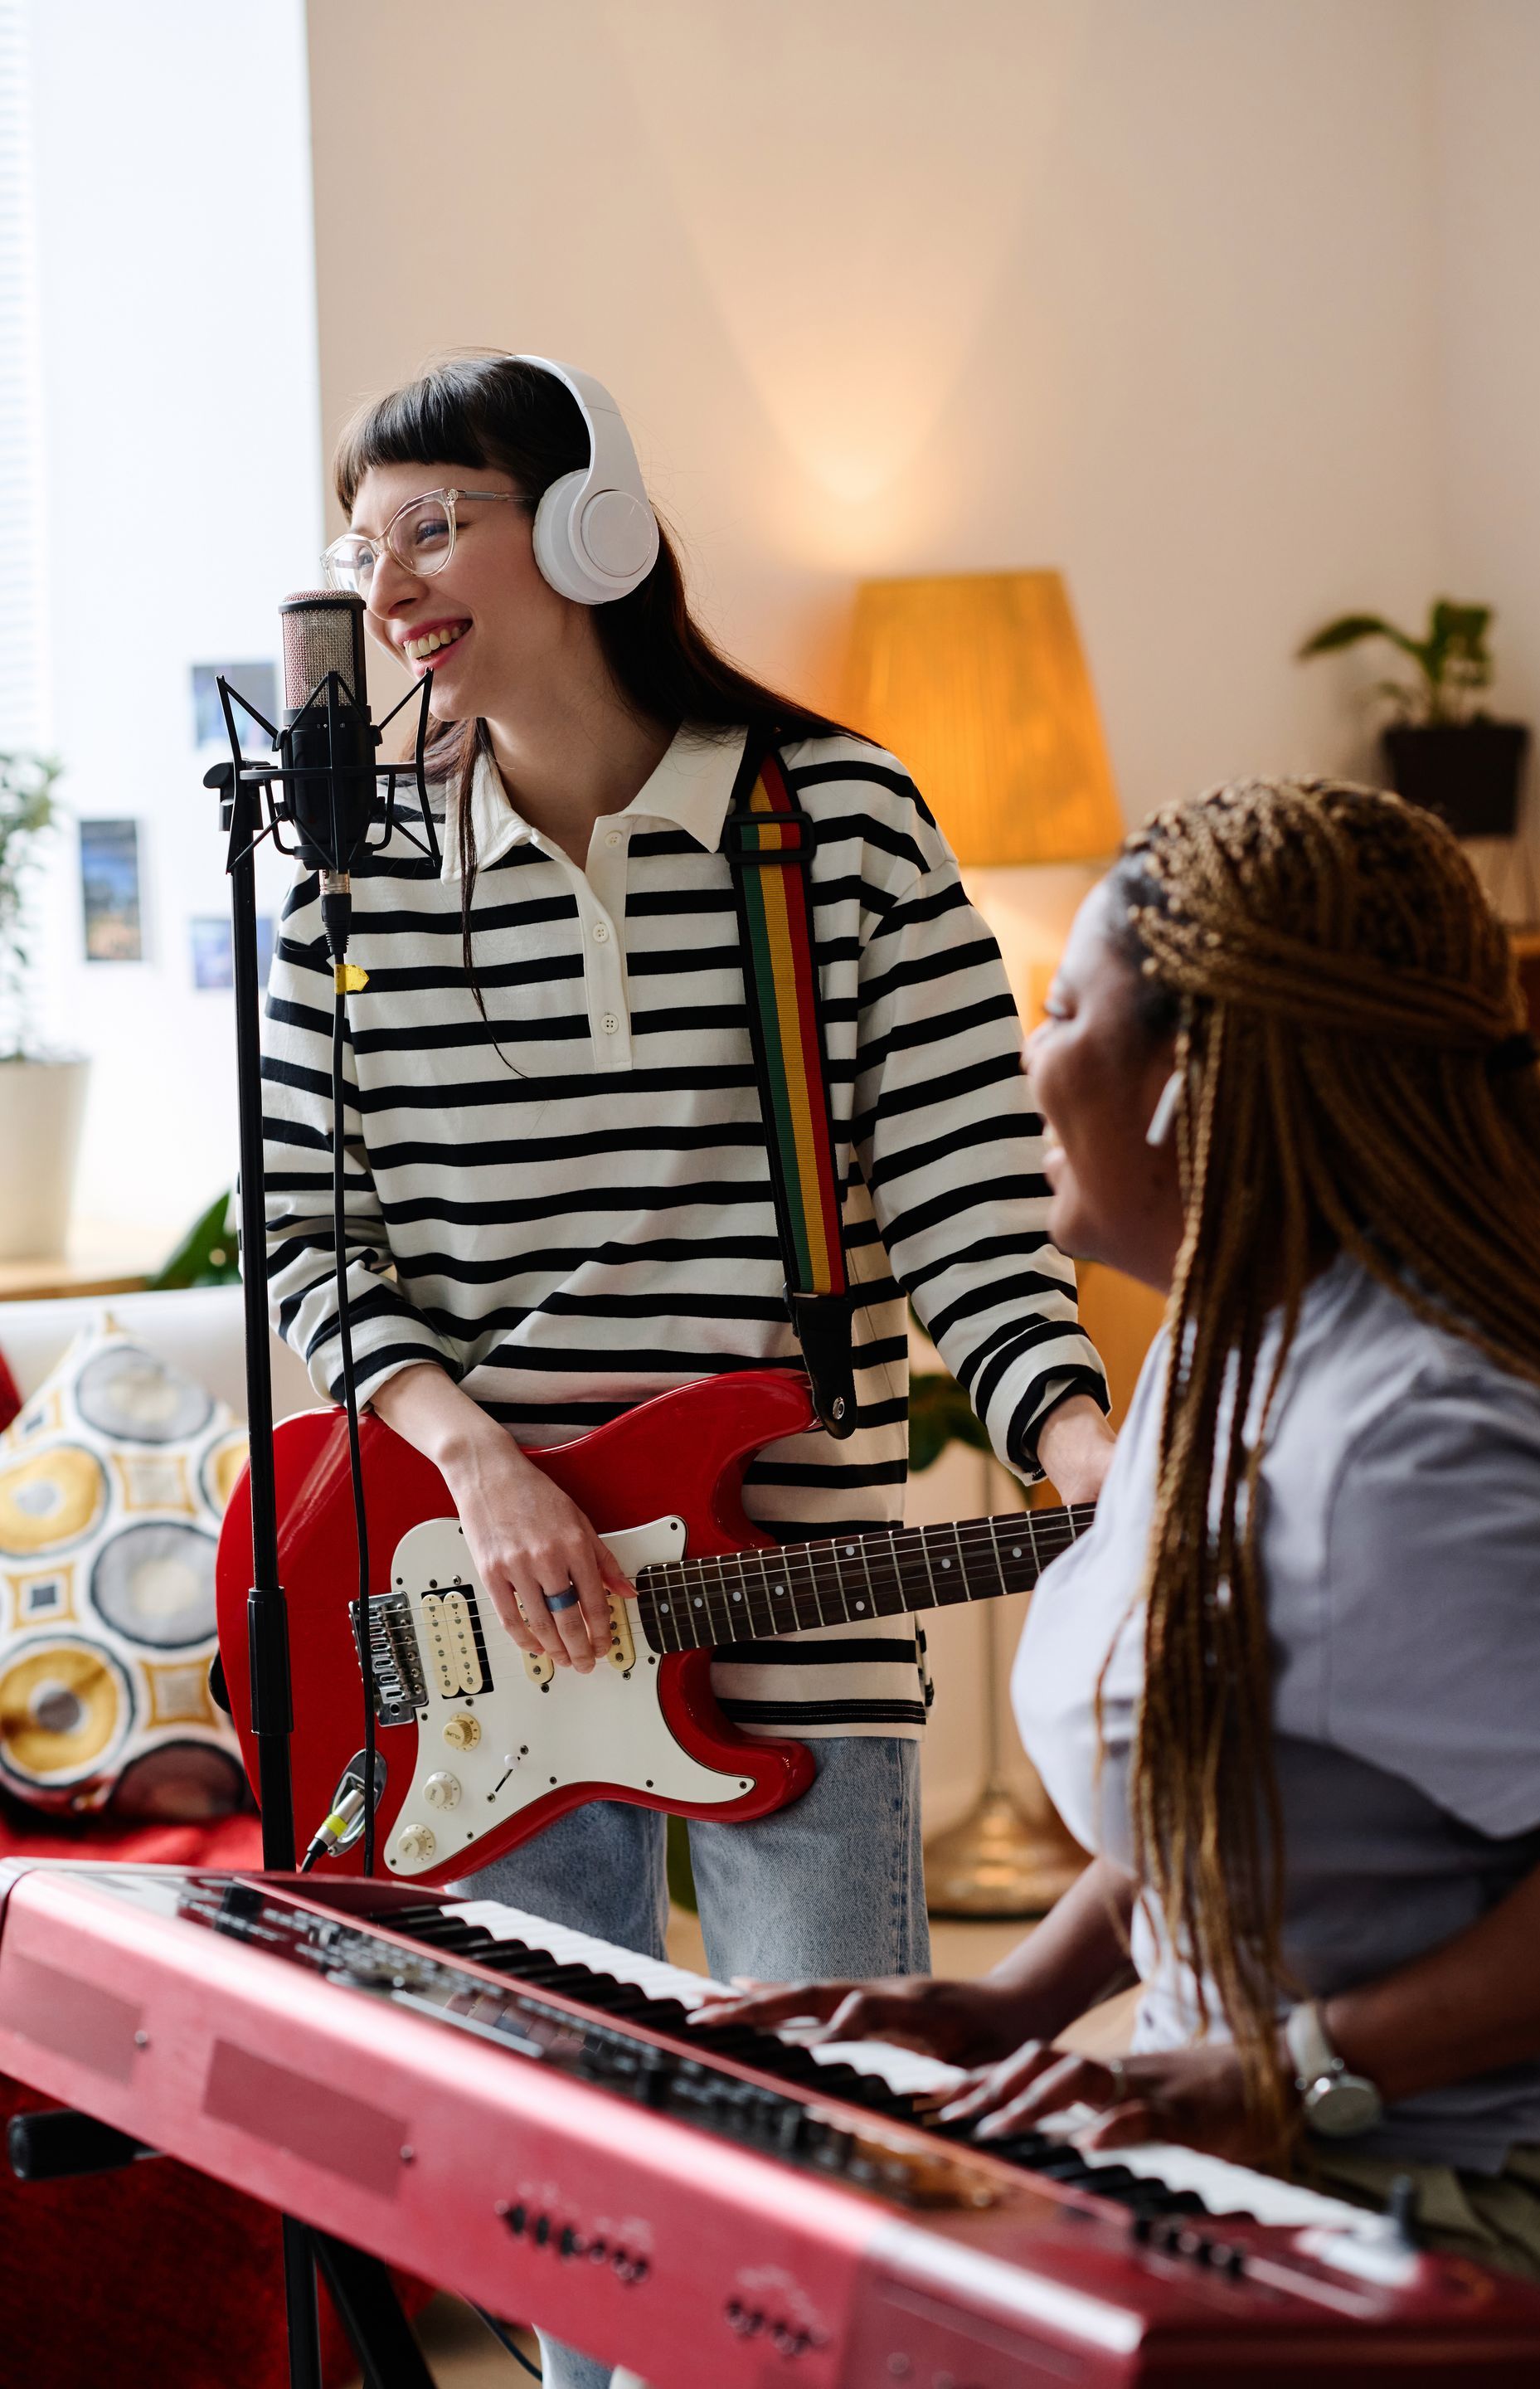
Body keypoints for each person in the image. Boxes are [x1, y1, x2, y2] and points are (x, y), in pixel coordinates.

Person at [260, 353, 1114, 2386]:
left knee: (821, 2193)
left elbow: (981, 1232)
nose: (388, 587)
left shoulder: (837, 831)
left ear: (589, 531)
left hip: (797, 1611)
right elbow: (310, 1240)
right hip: (476, 1631)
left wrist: (1102, 1459)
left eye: (434, 524)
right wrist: (477, 1459)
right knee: (579, 2227)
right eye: (361, 545)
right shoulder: (353, 881)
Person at [702, 779, 1540, 2299]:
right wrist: (1010, 2003)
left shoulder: (1410, 1446)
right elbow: (1223, 1788)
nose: (1025, 1062)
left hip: (1472, 2204)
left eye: (1056, 1012)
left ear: (1190, 1079)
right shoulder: (1217, 1348)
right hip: (1289, 2160)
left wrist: (1289, 2068)